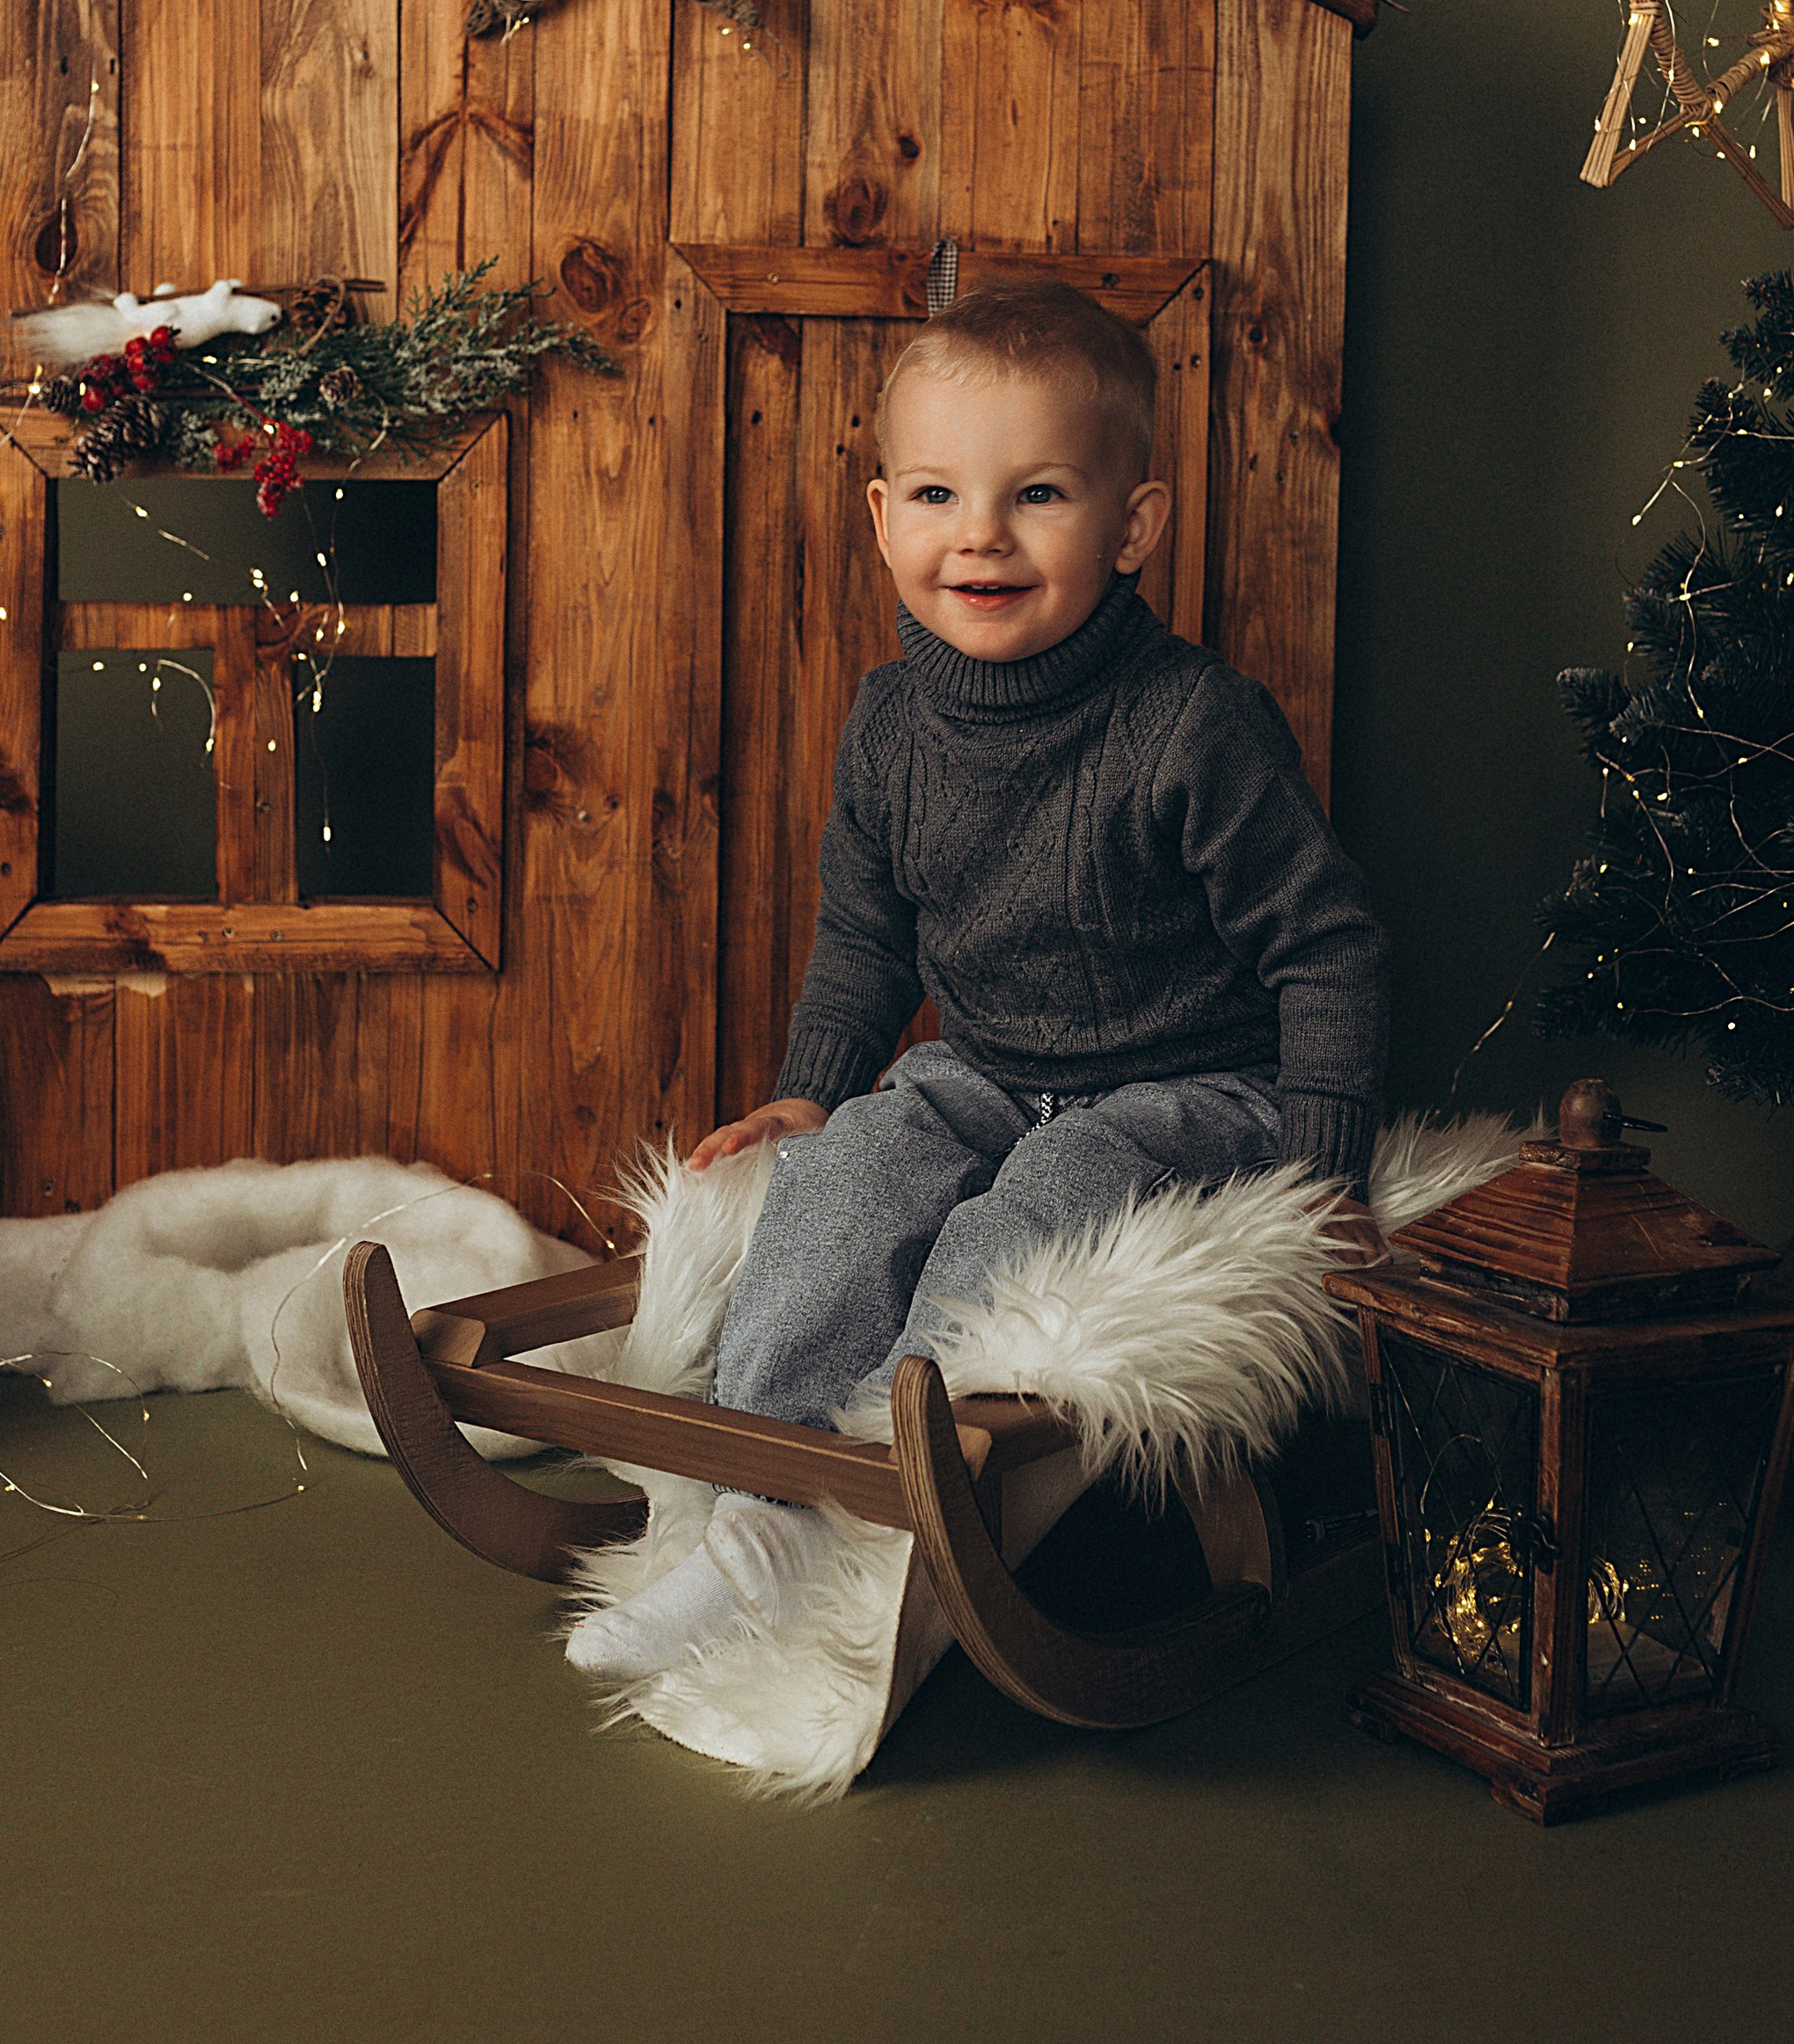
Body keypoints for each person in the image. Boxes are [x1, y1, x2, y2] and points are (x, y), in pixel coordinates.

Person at [567, 277, 1389, 1678]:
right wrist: (810, 1099)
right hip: (994, 1071)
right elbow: (869, 937)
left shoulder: (1191, 725)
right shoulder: (891, 723)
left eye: (1040, 496)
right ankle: (758, 1511)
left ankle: (905, 1523)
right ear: (883, 516)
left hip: (1194, 1086)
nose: (982, 538)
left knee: (1033, 1215)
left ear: (1133, 526)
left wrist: (1323, 1173)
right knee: (852, 1176)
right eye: (939, 496)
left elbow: (1329, 949)